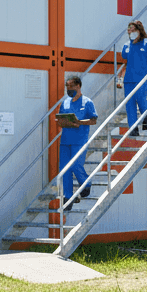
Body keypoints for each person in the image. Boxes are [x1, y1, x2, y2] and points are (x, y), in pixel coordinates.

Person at [55, 75, 98, 211]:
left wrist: (79, 122)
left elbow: (93, 120)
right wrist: (61, 122)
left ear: (78, 86)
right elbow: (60, 119)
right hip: (65, 141)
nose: (69, 89)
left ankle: (86, 183)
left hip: (79, 140)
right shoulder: (65, 103)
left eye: (71, 86)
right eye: (67, 86)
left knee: (76, 165)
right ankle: (68, 197)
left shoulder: (87, 102)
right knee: (64, 169)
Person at [116, 21, 147, 134]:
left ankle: (146, 116)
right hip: (129, 80)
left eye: (132, 29)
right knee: (130, 104)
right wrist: (120, 78)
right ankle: (133, 129)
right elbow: (125, 64)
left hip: (143, 78)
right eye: (129, 29)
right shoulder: (126, 46)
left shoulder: (146, 43)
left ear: (139, 30)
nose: (130, 31)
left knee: (141, 99)